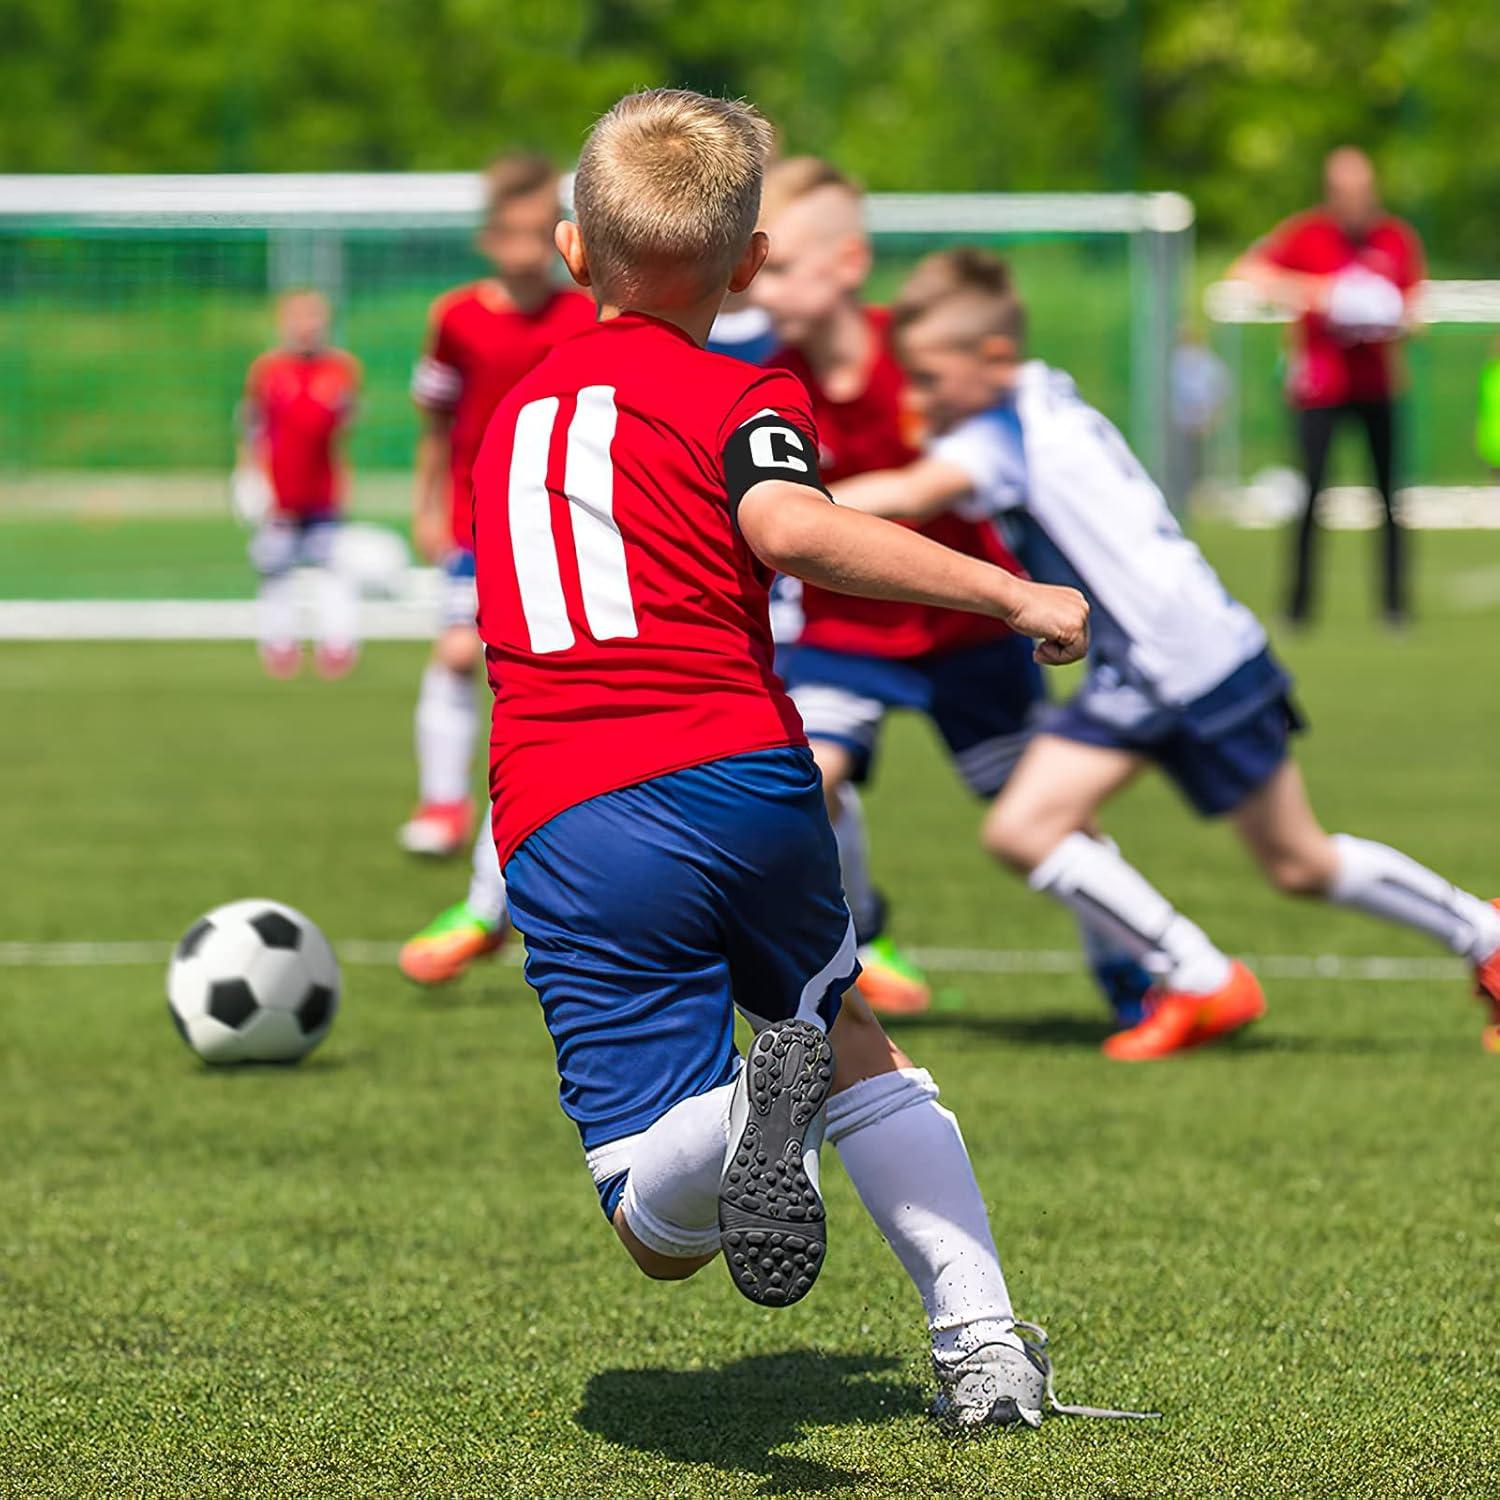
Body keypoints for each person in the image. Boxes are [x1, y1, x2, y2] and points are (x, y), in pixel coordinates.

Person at [471, 88, 1146, 1428]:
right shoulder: (745, 389)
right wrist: (1013, 598)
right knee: (848, 1037)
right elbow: (785, 524)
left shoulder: (513, 423)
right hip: (744, 776)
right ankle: (985, 1354)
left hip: (570, 812)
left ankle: (734, 1124)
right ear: (751, 263)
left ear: (566, 249)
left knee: (657, 1236)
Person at [830, 247, 1500, 1060]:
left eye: (931, 379)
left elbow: (903, 494)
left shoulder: (996, 435)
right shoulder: (1041, 393)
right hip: (1165, 658)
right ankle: (1212, 971)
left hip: (1183, 663)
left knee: (1277, 859)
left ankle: (1245, 968)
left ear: (993, 359)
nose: (918, 398)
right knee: (1064, 831)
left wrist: (772, 510)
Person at [752, 158, 1153, 1024]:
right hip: (844, 633)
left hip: (967, 631)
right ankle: (864, 935)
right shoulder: (768, 384)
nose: (759, 285)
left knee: (1047, 816)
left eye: (779, 266)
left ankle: (1137, 972)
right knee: (809, 775)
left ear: (848, 264)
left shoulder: (932, 352)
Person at [396, 154, 596, 986]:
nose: (524, 248)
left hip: (559, 525)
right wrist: (426, 502)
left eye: (537, 230)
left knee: (545, 695)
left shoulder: (584, 317)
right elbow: (437, 421)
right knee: (455, 656)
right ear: (488, 238)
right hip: (481, 522)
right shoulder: (457, 320)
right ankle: (444, 803)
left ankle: (503, 901)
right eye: (509, 231)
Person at [1230, 147, 1424, 627]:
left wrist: (1385, 312)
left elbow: (1416, 305)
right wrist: (1319, 294)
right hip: (1321, 388)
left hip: (1377, 384)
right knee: (1311, 494)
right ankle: (1298, 605)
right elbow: (1247, 271)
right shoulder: (1307, 233)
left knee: (1389, 495)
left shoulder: (1394, 238)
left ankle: (1394, 605)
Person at [239, 289, 362, 680]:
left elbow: (343, 429)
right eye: (299, 317)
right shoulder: (267, 370)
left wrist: (345, 480)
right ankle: (278, 643)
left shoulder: (341, 369)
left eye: (314, 317)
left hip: (323, 491)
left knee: (331, 569)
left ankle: (337, 644)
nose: (307, 327)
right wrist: (249, 477)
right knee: (275, 570)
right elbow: (252, 426)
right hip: (279, 492)